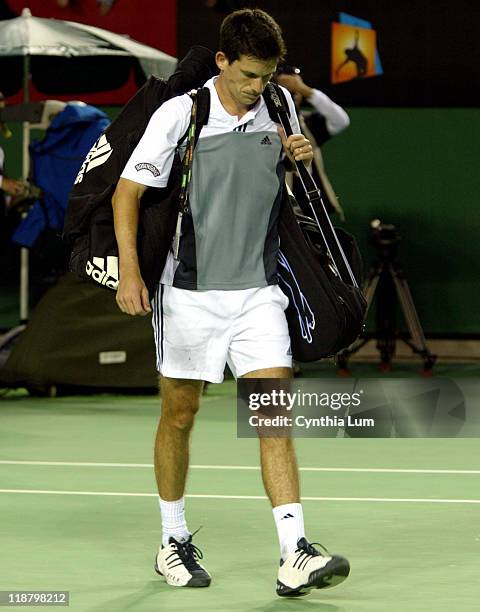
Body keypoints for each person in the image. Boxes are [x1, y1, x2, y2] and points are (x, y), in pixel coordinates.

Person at [112, 8, 350, 597]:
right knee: (180, 416)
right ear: (221, 61)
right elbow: (127, 193)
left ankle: (294, 551)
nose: (256, 87)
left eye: (265, 76)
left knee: (274, 419)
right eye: (246, 75)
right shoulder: (181, 113)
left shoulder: (279, 104)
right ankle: (172, 541)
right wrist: (130, 274)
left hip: (257, 294)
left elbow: (275, 188)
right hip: (188, 294)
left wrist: (294, 157)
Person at [275, 64, 350, 219]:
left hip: (313, 206)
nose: (293, 95)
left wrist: (304, 89)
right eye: (287, 92)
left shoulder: (307, 123)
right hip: (278, 207)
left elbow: (341, 120)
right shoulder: (262, 124)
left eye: (295, 92)